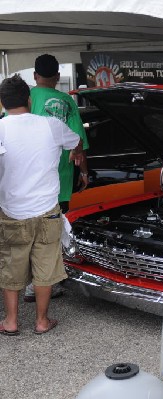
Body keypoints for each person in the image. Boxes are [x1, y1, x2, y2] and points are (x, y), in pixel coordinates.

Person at [0, 74, 83, 335]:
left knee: (11, 266)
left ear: (2, 103)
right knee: (46, 266)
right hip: (47, 211)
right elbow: (76, 140)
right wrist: (75, 152)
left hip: (12, 211)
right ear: (28, 99)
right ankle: (41, 321)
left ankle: (11, 322)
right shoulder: (51, 125)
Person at [23, 54, 90, 303]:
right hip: (59, 178)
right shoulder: (66, 102)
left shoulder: (24, 99)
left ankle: (31, 283)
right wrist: (83, 171)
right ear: (58, 77)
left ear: (34, 76)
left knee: (28, 230)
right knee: (54, 231)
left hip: (27, 178)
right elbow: (78, 145)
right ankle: (47, 281)